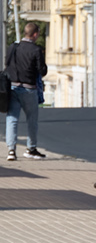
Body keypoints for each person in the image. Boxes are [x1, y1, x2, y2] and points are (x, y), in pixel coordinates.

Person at [5, 21, 48, 161]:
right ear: (35, 34)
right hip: (29, 89)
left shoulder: (14, 47)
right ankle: (31, 148)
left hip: (12, 87)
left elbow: (7, 63)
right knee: (32, 120)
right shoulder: (36, 50)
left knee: (12, 118)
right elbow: (42, 70)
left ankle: (11, 150)